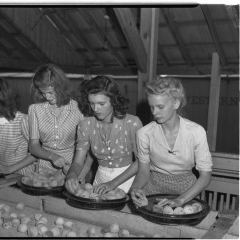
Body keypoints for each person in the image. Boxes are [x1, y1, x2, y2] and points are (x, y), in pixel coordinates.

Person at [131, 77, 213, 208]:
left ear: (176, 103)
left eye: (160, 107)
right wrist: (135, 188)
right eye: (151, 107)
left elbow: (206, 176)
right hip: (152, 190)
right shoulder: (144, 134)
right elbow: (143, 172)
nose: (154, 112)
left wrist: (181, 200)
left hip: (187, 192)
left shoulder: (196, 132)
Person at [65, 75, 143, 194]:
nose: (96, 109)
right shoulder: (85, 125)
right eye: (92, 103)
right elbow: (78, 162)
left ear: (113, 100)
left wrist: (114, 183)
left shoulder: (131, 123)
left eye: (101, 104)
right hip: (100, 182)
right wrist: (71, 174)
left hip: (127, 181)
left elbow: (141, 162)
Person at [28, 63, 85, 178]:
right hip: (44, 170)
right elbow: (33, 146)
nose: (47, 97)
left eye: (50, 92)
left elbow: (84, 146)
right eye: (42, 93)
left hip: (71, 168)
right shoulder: (35, 109)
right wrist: (51, 156)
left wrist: (73, 170)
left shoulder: (79, 109)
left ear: (61, 87)